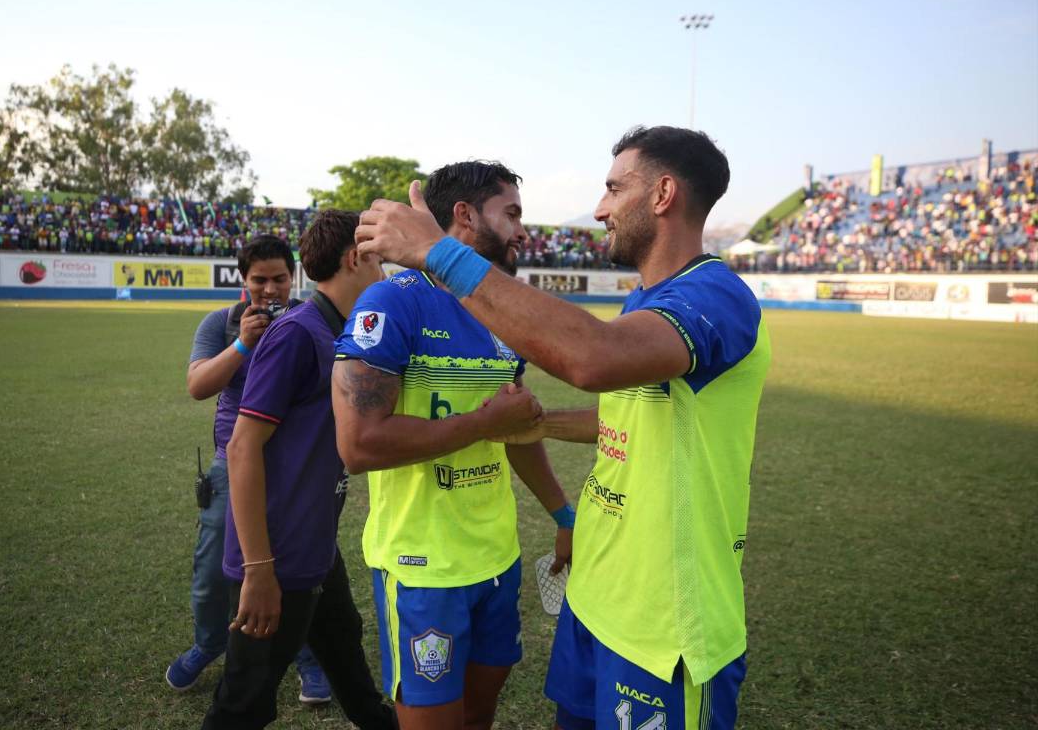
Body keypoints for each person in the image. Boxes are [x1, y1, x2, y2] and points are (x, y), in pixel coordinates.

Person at [352, 126, 771, 730]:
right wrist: (543, 434)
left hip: (665, 624)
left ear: (663, 194)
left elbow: (593, 358)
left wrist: (437, 253)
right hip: (596, 601)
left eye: (612, 188)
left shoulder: (717, 296)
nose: (599, 209)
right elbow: (624, 420)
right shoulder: (648, 302)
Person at [331, 161, 575, 730]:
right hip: (423, 569)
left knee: (479, 714)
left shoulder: (502, 308)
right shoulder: (394, 303)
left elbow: (515, 426)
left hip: (497, 557)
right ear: (463, 216)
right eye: (510, 213)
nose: (521, 231)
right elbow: (359, 445)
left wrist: (562, 513)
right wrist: (487, 419)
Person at [200, 210, 396, 730]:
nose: (385, 271)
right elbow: (243, 448)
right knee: (241, 706)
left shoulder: (341, 329)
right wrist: (259, 572)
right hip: (276, 558)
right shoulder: (297, 333)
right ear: (355, 258)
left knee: (353, 674)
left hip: (315, 547)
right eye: (378, 259)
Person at [166, 234, 332, 703]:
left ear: (293, 276)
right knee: (213, 570)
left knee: (302, 569)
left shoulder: (308, 320)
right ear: (243, 280)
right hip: (230, 465)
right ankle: (208, 642)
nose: (271, 289)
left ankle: (308, 658)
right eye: (260, 280)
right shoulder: (220, 324)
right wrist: (242, 344)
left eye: (280, 278)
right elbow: (198, 386)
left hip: (295, 469)